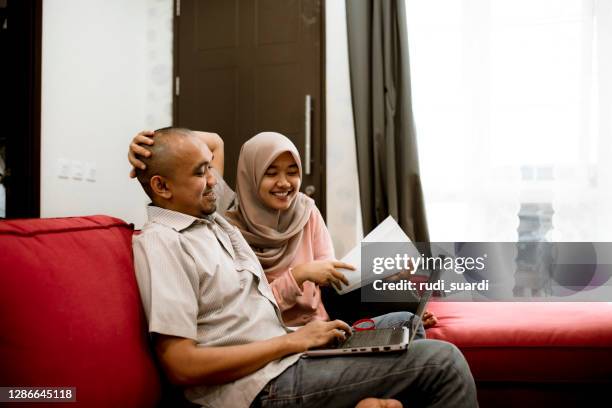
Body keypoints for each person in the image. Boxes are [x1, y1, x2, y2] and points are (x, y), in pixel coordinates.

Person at [131, 127, 478, 408]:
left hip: (286, 354)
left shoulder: (207, 218)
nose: (212, 180)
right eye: (199, 172)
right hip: (260, 386)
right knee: (443, 363)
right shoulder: (165, 241)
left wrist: (150, 144)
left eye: (210, 168)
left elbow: (214, 143)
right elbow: (181, 366)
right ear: (162, 187)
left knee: (403, 323)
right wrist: (295, 342)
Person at [128, 131, 438, 331]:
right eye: (271, 173)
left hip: (324, 325)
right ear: (251, 176)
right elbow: (250, 307)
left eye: (293, 172)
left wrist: (383, 278)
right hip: (278, 334)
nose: (284, 183)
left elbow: (332, 281)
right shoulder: (225, 224)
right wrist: (152, 144)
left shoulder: (306, 210)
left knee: (408, 321)